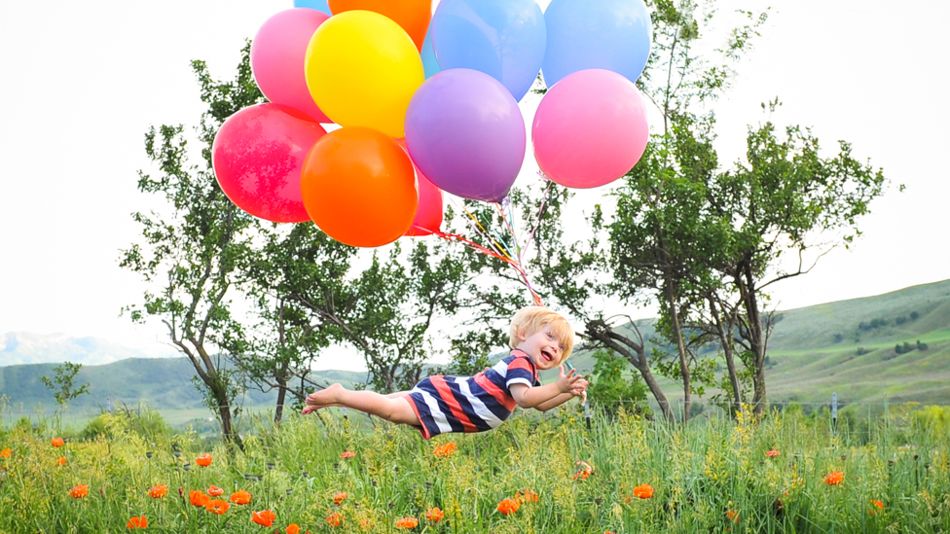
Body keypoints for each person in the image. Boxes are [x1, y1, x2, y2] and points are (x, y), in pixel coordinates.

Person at [302, 306, 589, 439]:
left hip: (450, 396)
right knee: (390, 411)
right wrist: (560, 388)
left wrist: (567, 393)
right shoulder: (519, 364)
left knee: (385, 401)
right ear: (522, 333)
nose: (555, 346)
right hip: (450, 402)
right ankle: (341, 393)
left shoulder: (526, 369)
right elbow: (526, 399)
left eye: (561, 347)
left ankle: (339, 400)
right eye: (549, 336)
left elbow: (540, 405)